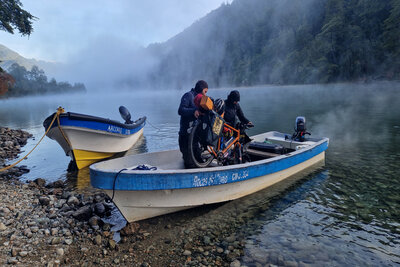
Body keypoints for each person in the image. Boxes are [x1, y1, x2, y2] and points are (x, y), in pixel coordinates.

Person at [178, 80, 208, 166]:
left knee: (199, 161)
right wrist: (193, 111)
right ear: (201, 89)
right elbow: (180, 110)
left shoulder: (202, 99)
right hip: (185, 137)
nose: (205, 94)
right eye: (205, 92)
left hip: (195, 138)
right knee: (190, 164)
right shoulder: (188, 96)